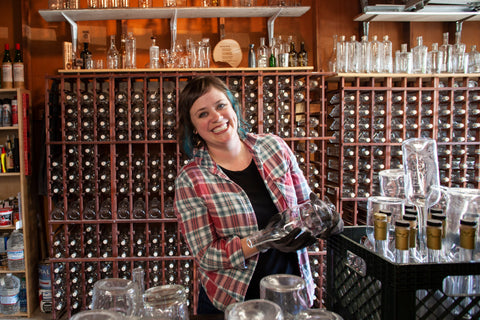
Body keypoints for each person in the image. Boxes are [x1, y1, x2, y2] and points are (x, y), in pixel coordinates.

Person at [174, 76, 342, 314]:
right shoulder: (191, 179)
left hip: (290, 290)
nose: (216, 117)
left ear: (233, 107)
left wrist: (326, 218)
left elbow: (305, 204)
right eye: (202, 114)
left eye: (221, 105)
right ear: (193, 128)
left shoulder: (274, 147)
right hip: (232, 301)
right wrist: (264, 239)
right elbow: (207, 256)